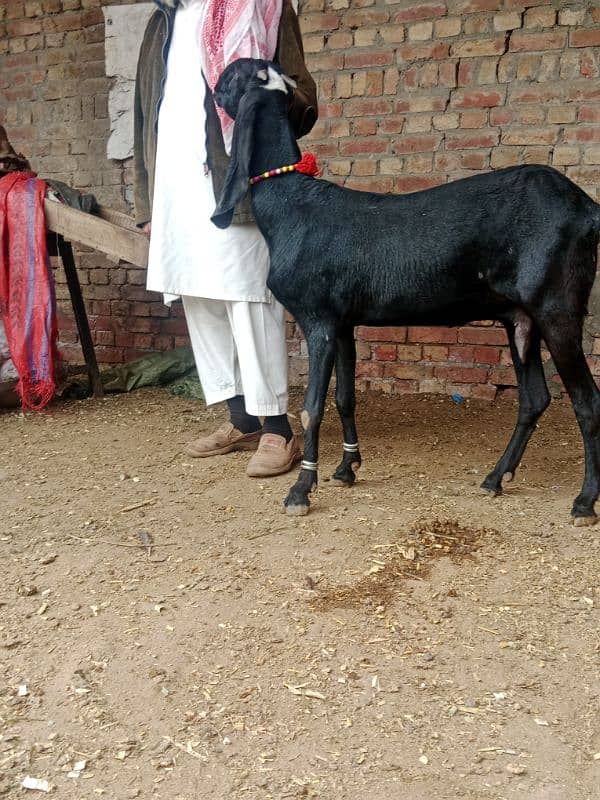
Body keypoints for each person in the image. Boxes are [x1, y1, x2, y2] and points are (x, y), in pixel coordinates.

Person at [134, 0, 317, 476]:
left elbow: (300, 91)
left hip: (235, 176)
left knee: (247, 294)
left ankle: (278, 428)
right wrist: (146, 205)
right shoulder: (163, 19)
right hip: (175, 183)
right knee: (200, 295)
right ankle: (242, 420)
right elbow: (144, 116)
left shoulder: (262, 5)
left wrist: (263, 98)